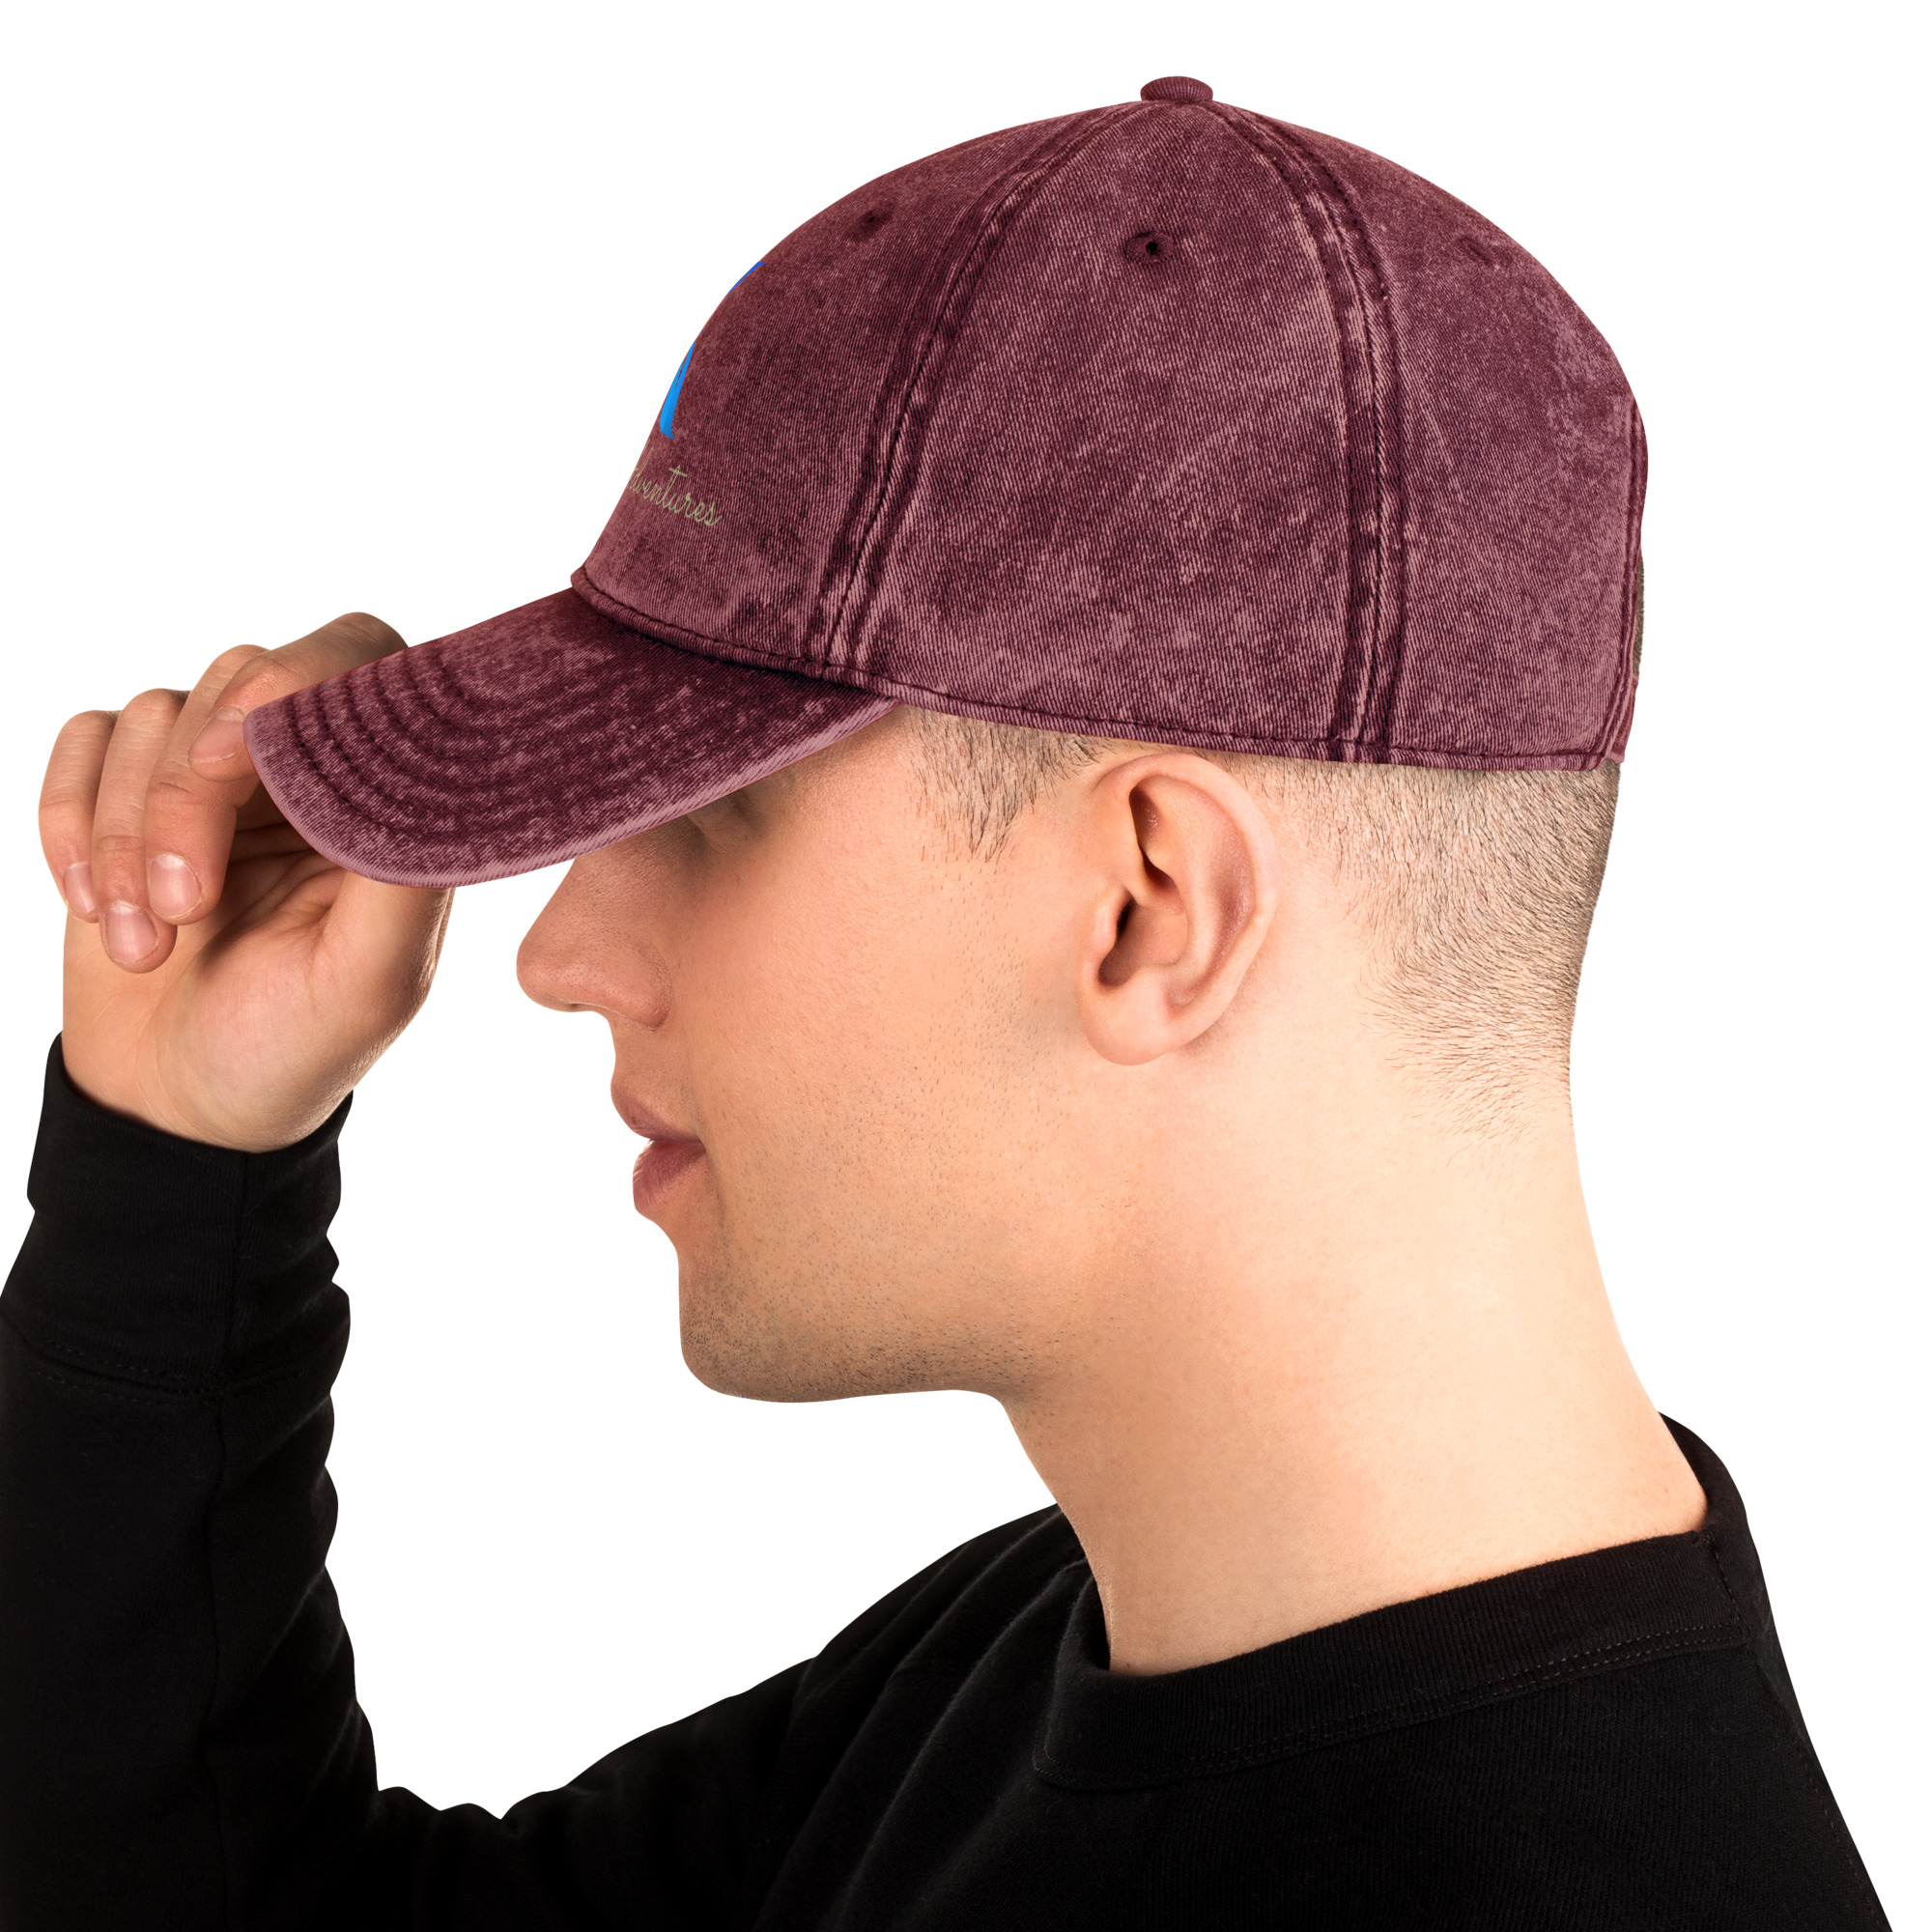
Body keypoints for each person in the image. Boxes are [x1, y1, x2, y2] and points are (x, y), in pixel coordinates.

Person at [0, 75, 1889, 1931]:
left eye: (707, 819)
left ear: (1149, 906)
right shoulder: (1051, 1665)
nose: (556, 953)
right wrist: (175, 1170)